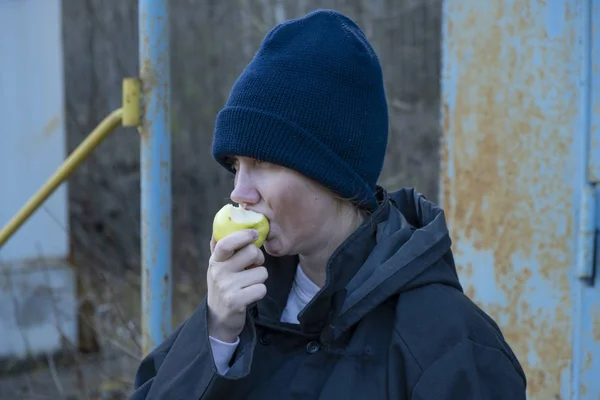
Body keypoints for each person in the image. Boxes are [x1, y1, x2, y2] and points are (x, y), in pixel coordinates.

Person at [130, 9, 527, 400]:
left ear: (332, 173)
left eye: (264, 163)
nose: (239, 192)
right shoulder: (242, 304)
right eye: (236, 165)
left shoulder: (452, 346)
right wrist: (216, 333)